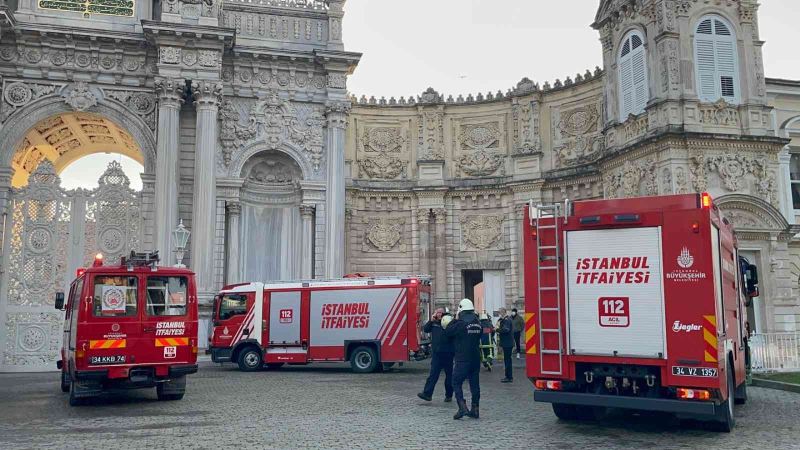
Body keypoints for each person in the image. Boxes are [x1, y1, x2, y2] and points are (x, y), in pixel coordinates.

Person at [444, 298, 483, 420]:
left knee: (456, 382)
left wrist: (455, 319)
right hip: (475, 358)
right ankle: (475, 409)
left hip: (462, 358)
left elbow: (448, 331)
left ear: (461, 310)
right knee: (474, 383)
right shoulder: (478, 322)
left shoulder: (460, 323)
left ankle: (462, 407)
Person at [417, 308, 454, 402]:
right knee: (433, 375)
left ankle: (449, 395)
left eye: (440, 313)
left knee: (449, 375)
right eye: (437, 312)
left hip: (448, 353)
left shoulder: (448, 321)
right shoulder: (434, 323)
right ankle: (427, 394)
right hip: (436, 354)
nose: (439, 314)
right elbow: (425, 329)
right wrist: (431, 320)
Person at [497, 308, 514, 383]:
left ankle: (508, 377)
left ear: (503, 312)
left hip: (507, 343)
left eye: (500, 312)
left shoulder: (506, 320)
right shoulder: (505, 319)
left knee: (507, 360)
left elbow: (506, 330)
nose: (499, 314)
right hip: (507, 343)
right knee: (507, 360)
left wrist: (497, 330)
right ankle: (508, 376)